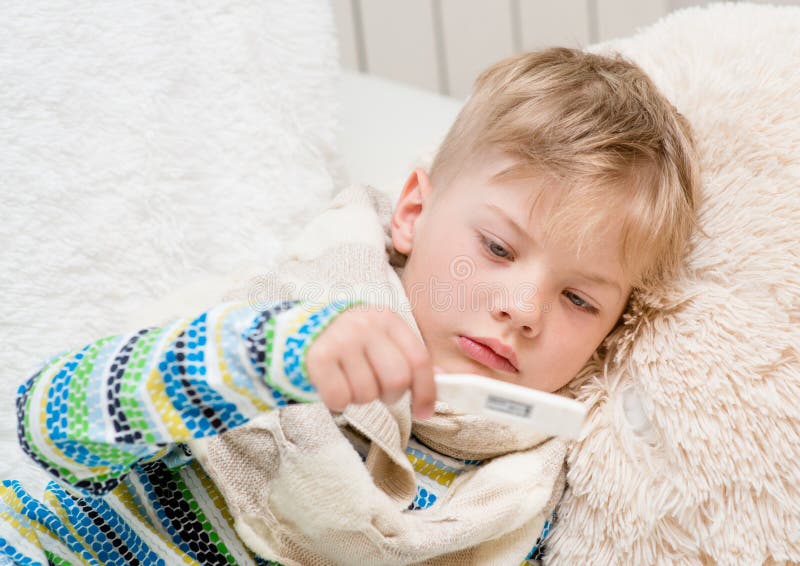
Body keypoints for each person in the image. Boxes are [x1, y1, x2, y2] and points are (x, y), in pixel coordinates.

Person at [0, 47, 701, 565]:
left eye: (579, 298)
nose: (523, 309)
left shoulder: (520, 497)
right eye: (496, 248)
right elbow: (45, 420)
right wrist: (268, 360)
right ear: (414, 212)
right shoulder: (283, 315)